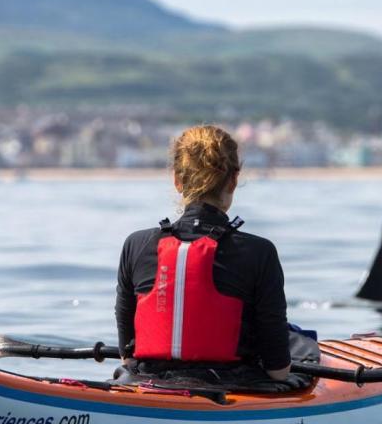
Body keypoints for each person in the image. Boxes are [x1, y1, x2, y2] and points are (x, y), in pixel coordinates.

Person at [115, 125, 291, 381]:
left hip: (147, 383)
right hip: (231, 389)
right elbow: (278, 370)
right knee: (299, 345)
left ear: (177, 180)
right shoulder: (259, 252)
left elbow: (127, 356)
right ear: (233, 180)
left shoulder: (136, 244)